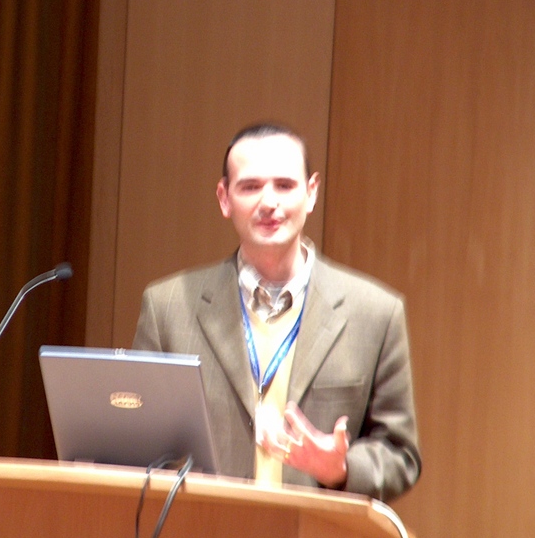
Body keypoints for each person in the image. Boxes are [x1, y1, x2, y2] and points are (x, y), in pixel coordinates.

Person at [132, 122, 421, 502]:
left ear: (311, 193)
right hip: (200, 528)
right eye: (250, 187)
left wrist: (342, 468)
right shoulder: (168, 307)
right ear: (224, 198)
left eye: (284, 185)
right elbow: (137, 442)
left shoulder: (375, 314)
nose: (269, 202)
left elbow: (400, 455)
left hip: (314, 533)